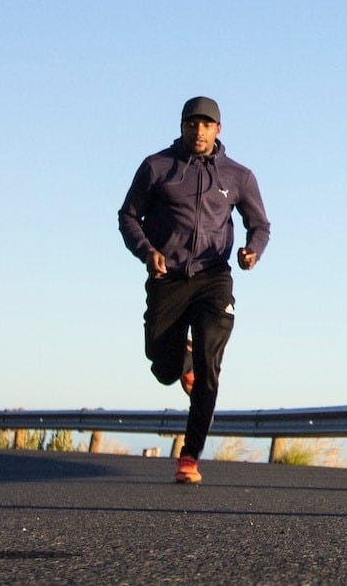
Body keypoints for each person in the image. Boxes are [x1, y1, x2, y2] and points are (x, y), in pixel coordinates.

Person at [118, 96, 271, 484]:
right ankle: (178, 361)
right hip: (167, 277)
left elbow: (260, 224)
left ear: (218, 130)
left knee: (209, 365)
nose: (198, 132)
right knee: (163, 366)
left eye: (206, 125)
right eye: (192, 124)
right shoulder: (157, 167)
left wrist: (253, 250)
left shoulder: (238, 175)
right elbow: (128, 216)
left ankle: (189, 456)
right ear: (182, 126)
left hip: (213, 278)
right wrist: (147, 252)